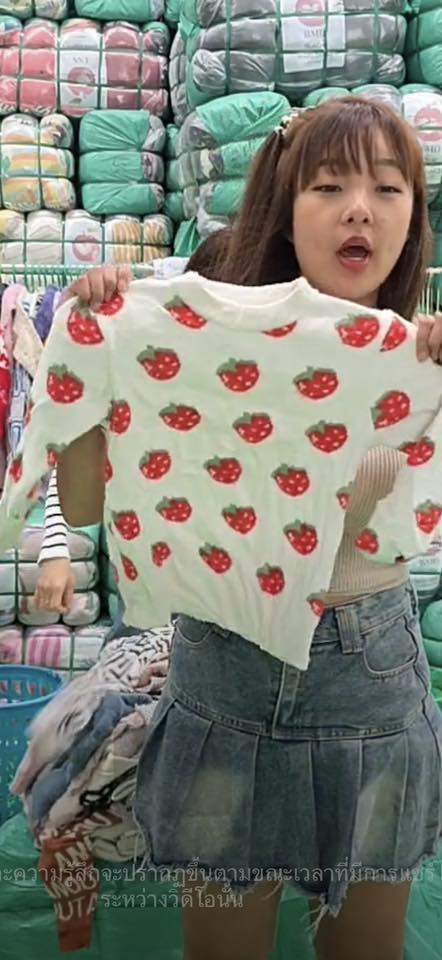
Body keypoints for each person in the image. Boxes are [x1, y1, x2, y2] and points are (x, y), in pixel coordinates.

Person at [4, 98, 442, 960]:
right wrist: (99, 350)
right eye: (330, 186)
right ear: (286, 205)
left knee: (367, 953)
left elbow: (402, 534)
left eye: (389, 188)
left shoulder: (417, 356)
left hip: (370, 683)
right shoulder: (191, 332)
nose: (360, 209)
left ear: (413, 215)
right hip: (223, 679)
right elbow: (86, 504)